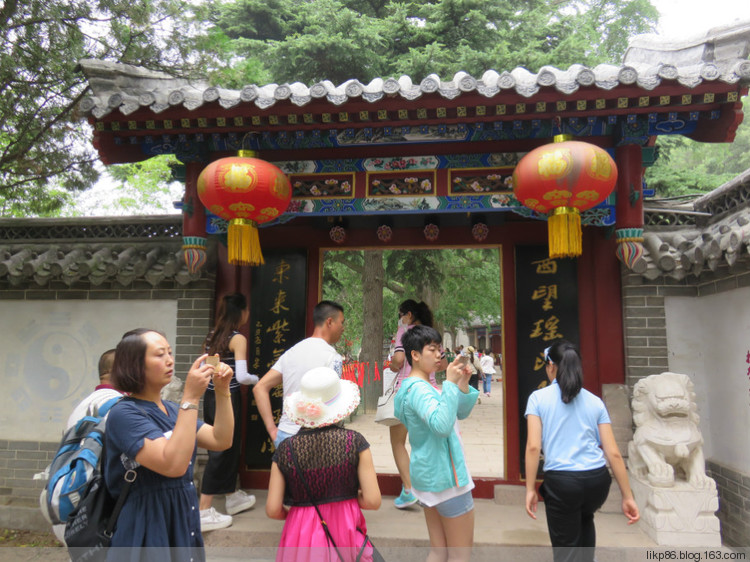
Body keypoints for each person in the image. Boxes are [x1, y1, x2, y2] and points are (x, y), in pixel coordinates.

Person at [104, 328, 234, 559]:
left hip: (182, 519)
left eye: (170, 353)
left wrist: (223, 391)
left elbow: (220, 439)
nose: (170, 360)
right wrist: (191, 398)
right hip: (146, 525)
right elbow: (172, 465)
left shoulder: (174, 410)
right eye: (159, 354)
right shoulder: (124, 414)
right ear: (135, 364)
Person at [524, 340, 639, 562]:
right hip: (597, 482)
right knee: (585, 519)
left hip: (563, 483)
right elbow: (613, 452)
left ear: (550, 366)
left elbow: (533, 447)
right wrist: (628, 496)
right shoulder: (595, 402)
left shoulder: (538, 398)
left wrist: (530, 489)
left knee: (566, 551)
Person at [266, 366, 381, 562]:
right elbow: (372, 501)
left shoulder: (286, 449)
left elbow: (273, 508)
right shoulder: (354, 442)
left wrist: (301, 515)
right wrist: (349, 499)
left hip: (299, 533)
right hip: (344, 529)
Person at [395, 325, 478, 562]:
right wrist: (450, 384)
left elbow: (456, 414)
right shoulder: (419, 389)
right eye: (432, 349)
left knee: (439, 550)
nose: (439, 354)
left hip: (429, 476)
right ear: (415, 355)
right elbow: (442, 427)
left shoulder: (414, 387)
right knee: (460, 555)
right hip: (447, 479)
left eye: (439, 348)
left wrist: (461, 384)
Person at [50, 349, 123, 543]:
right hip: (99, 510)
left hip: (75, 506)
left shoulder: (82, 405)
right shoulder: (120, 407)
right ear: (120, 370)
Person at [199, 293, 258, 531]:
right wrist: (260, 379)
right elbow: (242, 377)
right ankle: (203, 510)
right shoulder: (237, 339)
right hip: (228, 397)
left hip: (211, 396)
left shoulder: (214, 337)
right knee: (223, 450)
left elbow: (209, 369)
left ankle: (232, 496)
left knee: (224, 446)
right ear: (241, 313)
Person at [253, 300, 345, 448]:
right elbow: (334, 402)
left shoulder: (292, 352)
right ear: (329, 322)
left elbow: (260, 387)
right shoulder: (332, 356)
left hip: (285, 435)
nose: (343, 328)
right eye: (341, 322)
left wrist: (272, 430)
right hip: (316, 438)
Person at [387, 299, 445, 509]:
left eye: (400, 314)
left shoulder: (405, 330)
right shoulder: (432, 333)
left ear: (408, 315)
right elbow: (443, 364)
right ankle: (431, 489)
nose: (400, 319)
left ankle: (409, 489)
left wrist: (393, 366)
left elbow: (399, 360)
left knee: (398, 442)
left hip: (406, 390)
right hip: (430, 391)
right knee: (424, 443)